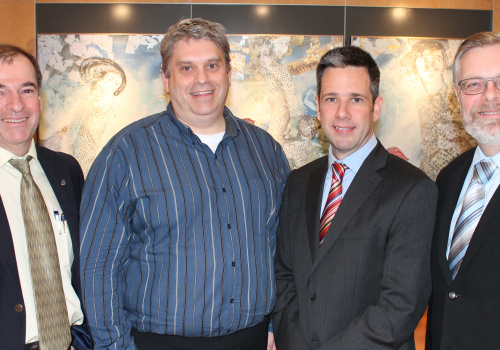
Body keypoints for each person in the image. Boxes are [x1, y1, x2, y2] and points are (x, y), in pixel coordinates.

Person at [79, 18, 289, 350]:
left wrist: (277, 324)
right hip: (158, 343)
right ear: (167, 78)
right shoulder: (126, 153)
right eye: (186, 68)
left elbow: (281, 249)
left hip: (253, 339)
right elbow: (99, 267)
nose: (202, 79)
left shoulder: (266, 151)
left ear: (228, 73)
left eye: (212, 65)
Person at [273, 46, 437, 349]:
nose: (342, 112)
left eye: (356, 99)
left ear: (376, 108)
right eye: (331, 99)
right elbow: (285, 275)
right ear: (319, 108)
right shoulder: (298, 182)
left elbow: (401, 306)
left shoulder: (413, 189)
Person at [0, 44, 91, 350]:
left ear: (39, 98)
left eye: (26, 90)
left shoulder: (65, 171)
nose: (16, 105)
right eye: (1, 91)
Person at [426, 31, 500, 350]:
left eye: (499, 80)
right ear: (458, 96)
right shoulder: (449, 177)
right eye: (474, 84)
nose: (489, 95)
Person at [401, 40, 474, 180]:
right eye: (424, 60)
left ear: (445, 63)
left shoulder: (456, 96)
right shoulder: (410, 101)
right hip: (429, 171)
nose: (431, 67)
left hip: (458, 169)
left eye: (437, 59)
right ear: (415, 64)